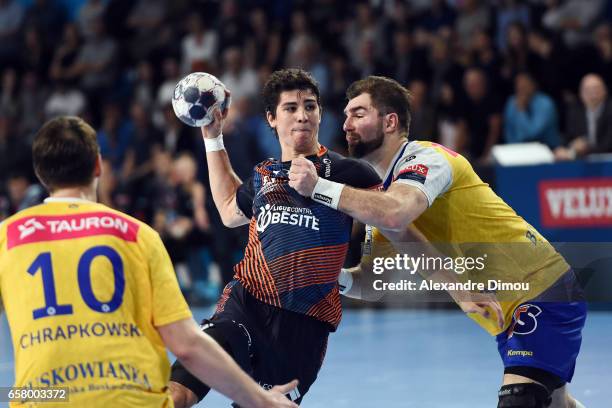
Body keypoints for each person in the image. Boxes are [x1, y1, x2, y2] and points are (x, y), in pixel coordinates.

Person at [289, 76, 587, 408]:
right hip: (505, 315)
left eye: (358, 114)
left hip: (540, 289)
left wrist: (319, 187)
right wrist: (331, 275)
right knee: (557, 402)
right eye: (345, 115)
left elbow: (397, 214)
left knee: (521, 399)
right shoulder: (378, 197)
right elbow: (372, 283)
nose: (346, 124)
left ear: (390, 122)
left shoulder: (428, 159)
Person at [0, 116, 298, 408]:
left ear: (40, 174)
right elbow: (187, 346)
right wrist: (260, 399)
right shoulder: (135, 235)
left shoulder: (7, 236)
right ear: (98, 165)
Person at [169, 68, 381, 407]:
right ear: (271, 118)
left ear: (321, 115)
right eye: (290, 108)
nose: (302, 116)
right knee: (177, 393)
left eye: (310, 107)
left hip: (303, 331)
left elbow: (391, 219)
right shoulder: (264, 175)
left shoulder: (349, 173)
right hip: (244, 306)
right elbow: (228, 209)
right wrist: (212, 136)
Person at [555, 73, 612, 160]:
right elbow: (568, 138)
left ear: (605, 91)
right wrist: (567, 148)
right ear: (581, 94)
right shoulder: (575, 112)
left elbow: (608, 145)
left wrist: (584, 149)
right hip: (582, 163)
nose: (592, 94)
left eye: (596, 89)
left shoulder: (610, 110)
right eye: (587, 90)